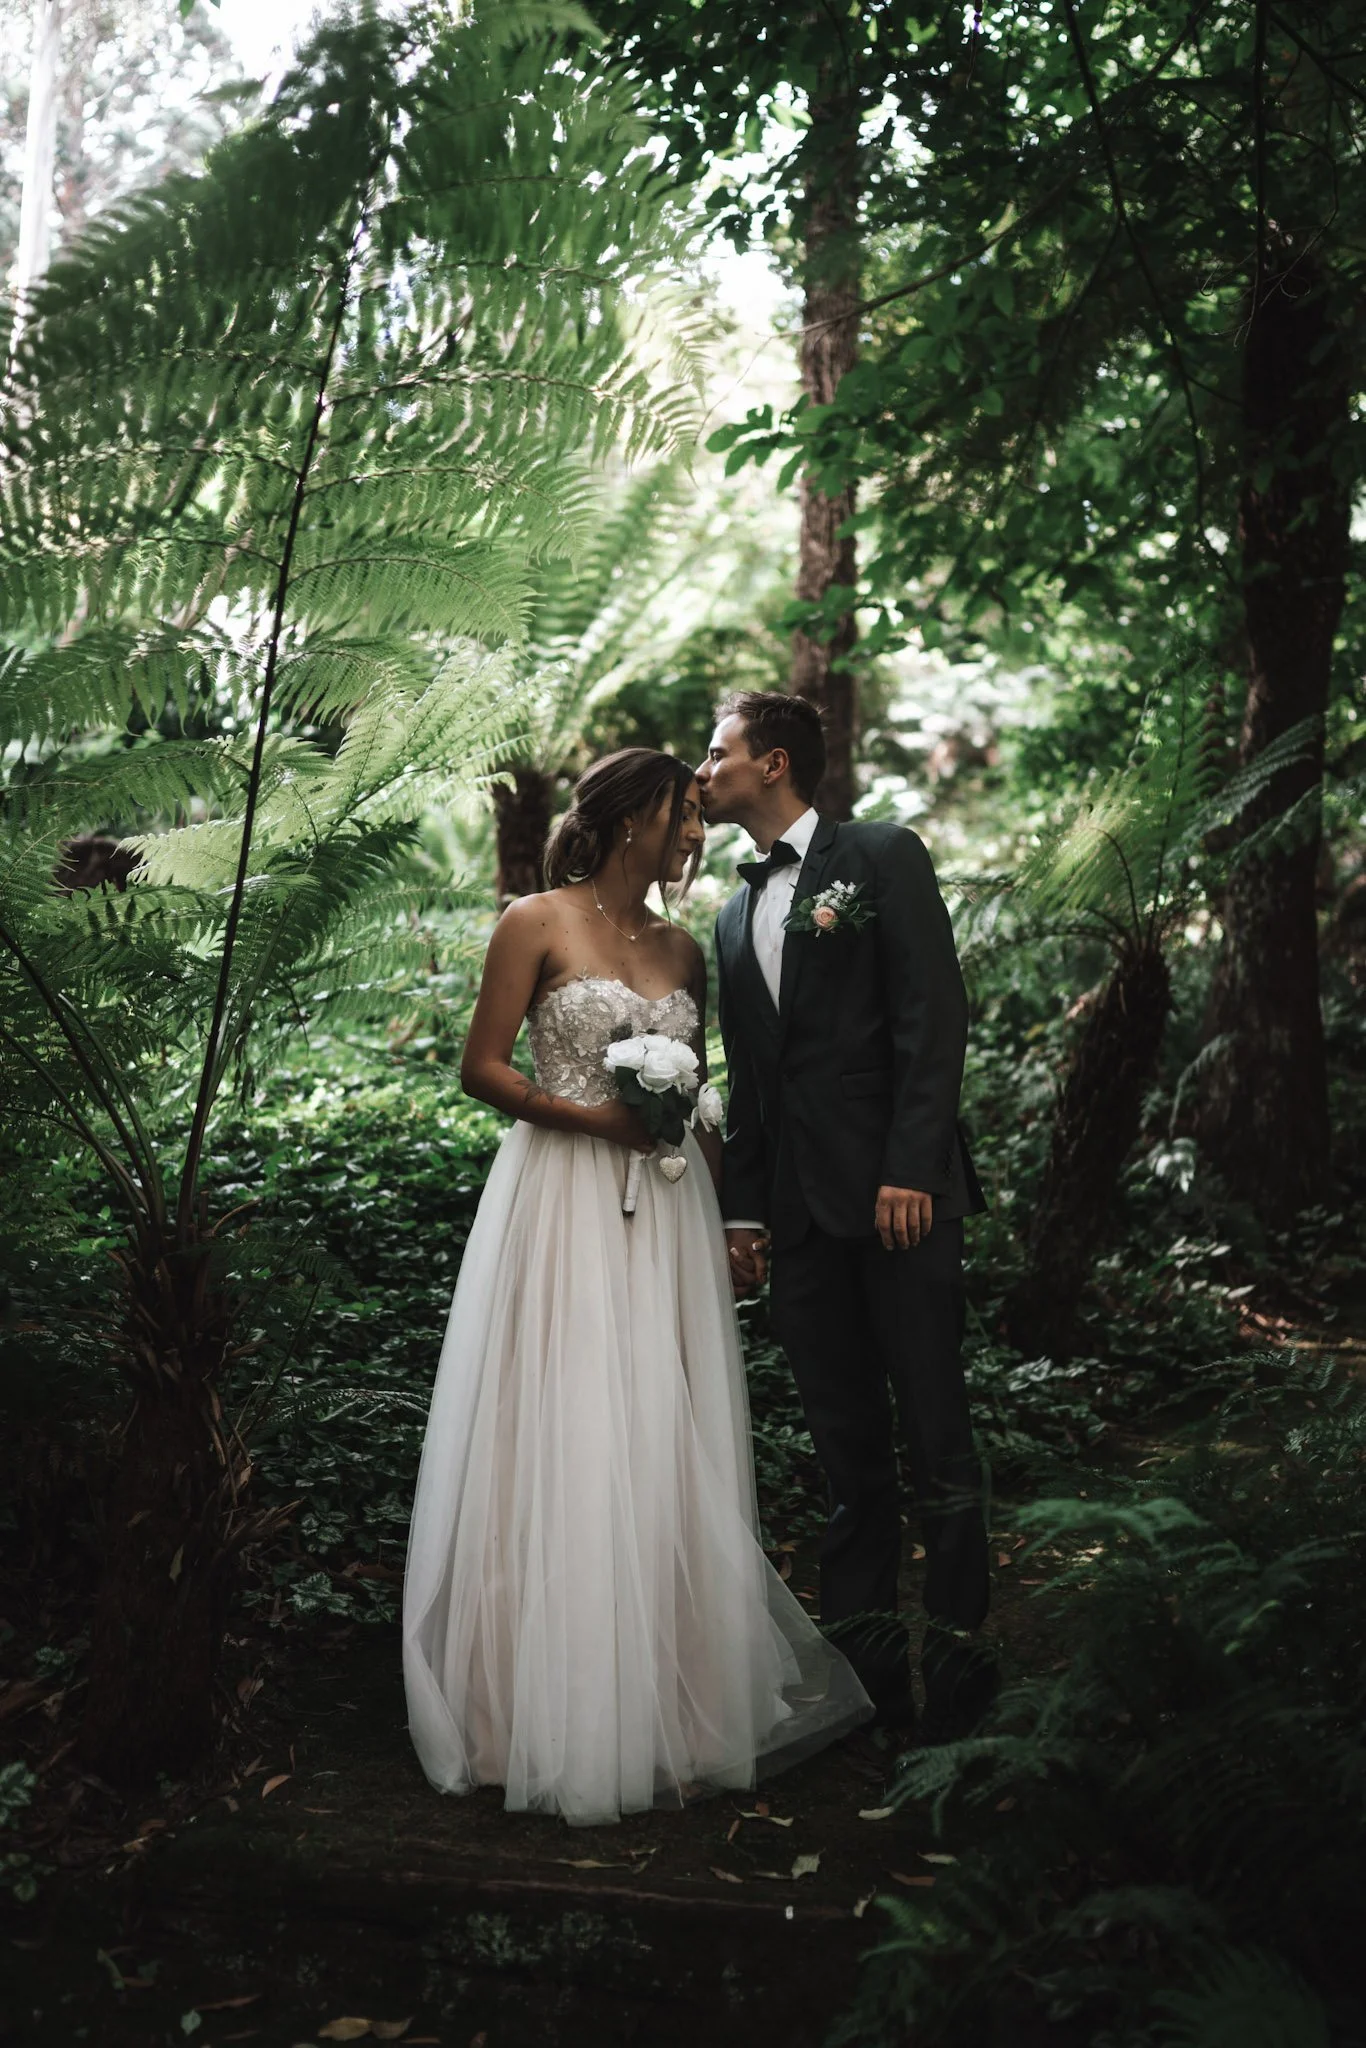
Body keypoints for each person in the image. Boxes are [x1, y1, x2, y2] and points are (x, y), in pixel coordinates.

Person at [402, 748, 871, 1826]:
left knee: (659, 1430)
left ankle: (673, 1703)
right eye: (682, 813)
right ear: (631, 821)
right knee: (565, 1427)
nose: (694, 832)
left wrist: (726, 1221)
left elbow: (700, 1101)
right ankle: (534, 1711)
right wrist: (596, 1120)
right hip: (560, 1199)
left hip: (663, 1213)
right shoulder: (534, 919)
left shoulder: (679, 948)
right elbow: (484, 1068)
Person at [697, 693, 996, 1743]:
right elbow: (750, 1076)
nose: (703, 769)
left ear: (771, 763)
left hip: (901, 1205)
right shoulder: (730, 916)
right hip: (802, 1227)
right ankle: (867, 1700)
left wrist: (910, 1166)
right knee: (847, 1465)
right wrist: (742, 1216)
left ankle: (961, 1700)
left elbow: (931, 1014)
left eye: (717, 751)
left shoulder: (881, 856)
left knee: (937, 1445)